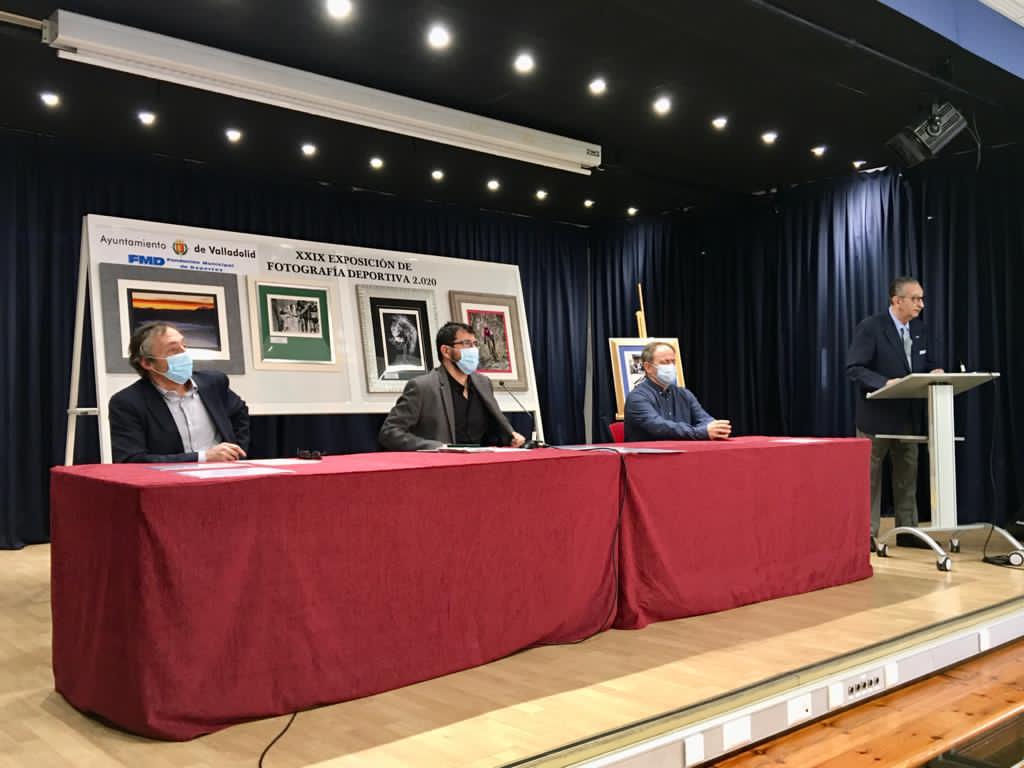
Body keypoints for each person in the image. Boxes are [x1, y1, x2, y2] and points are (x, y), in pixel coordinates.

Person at [846, 276, 943, 543]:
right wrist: (884, 383)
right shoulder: (871, 327)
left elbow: (926, 364)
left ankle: (908, 533)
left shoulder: (920, 329)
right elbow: (855, 368)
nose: (921, 304)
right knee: (870, 479)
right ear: (897, 301)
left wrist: (935, 371)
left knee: (907, 478)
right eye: (915, 299)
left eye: (922, 299)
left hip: (907, 418)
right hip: (875, 419)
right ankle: (866, 535)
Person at [109, 321, 250, 463]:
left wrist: (236, 452)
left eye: (184, 346)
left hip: (224, 472)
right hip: (168, 477)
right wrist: (203, 457)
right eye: (173, 350)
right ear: (147, 363)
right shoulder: (127, 403)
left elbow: (240, 413)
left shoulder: (214, 383)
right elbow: (131, 459)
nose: (184, 354)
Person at [379, 322, 526, 451]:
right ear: (446, 351)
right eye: (467, 343)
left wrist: (510, 437)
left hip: (483, 463)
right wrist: (435, 447)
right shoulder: (422, 387)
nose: (474, 350)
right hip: (444, 466)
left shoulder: (483, 383)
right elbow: (389, 433)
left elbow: (493, 429)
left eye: (475, 344)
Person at [624, 341, 732, 441]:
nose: (671, 366)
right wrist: (701, 432)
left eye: (673, 362)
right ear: (648, 367)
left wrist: (716, 428)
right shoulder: (637, 398)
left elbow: (703, 419)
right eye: (665, 362)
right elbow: (659, 427)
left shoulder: (684, 394)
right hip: (648, 453)